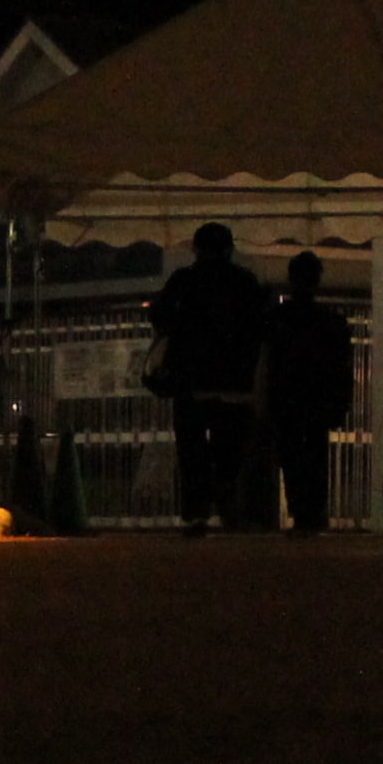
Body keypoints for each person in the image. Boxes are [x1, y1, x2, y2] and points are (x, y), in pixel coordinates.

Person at [144, 222, 277, 532]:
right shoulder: (244, 282)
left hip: (189, 381)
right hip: (233, 384)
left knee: (192, 450)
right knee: (228, 448)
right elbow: (261, 326)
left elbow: (160, 317)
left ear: (196, 248)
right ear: (229, 249)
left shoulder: (184, 281)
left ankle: (197, 511)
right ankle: (228, 502)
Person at [258, 250, 357, 533]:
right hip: (318, 400)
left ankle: (301, 510)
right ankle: (313, 511)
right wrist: (340, 401)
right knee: (316, 453)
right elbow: (341, 367)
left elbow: (267, 362)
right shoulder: (331, 322)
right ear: (317, 280)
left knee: (290, 455)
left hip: (286, 399)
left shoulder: (277, 318)